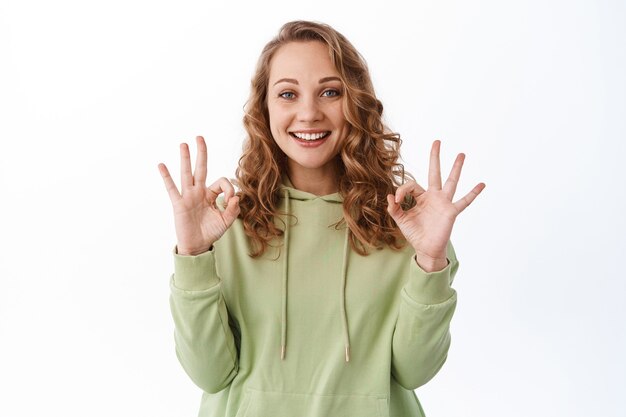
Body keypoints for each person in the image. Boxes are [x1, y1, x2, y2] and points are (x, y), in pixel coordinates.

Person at [158, 20, 485, 417]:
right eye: (288, 94)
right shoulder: (226, 224)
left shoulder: (406, 226)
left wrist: (431, 262)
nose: (309, 113)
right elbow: (210, 374)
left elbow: (414, 371)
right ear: (265, 108)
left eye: (330, 92)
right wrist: (194, 254)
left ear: (356, 102)